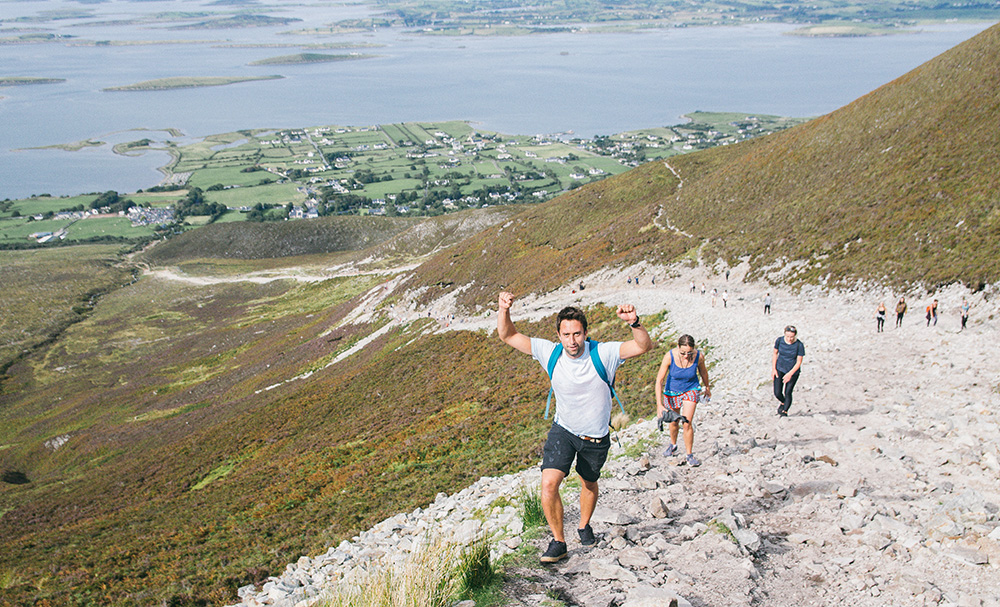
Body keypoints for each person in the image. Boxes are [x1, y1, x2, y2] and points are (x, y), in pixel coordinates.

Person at [497, 292, 653, 563]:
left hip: (595, 436)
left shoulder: (603, 353)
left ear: (586, 333)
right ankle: (559, 541)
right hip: (564, 430)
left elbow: (642, 347)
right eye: (567, 335)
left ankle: (583, 525)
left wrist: (635, 323)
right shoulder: (550, 352)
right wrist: (503, 310)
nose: (572, 341)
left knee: (589, 483)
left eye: (577, 334)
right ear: (558, 335)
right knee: (548, 483)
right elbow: (508, 335)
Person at [655, 335, 711, 467]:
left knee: (687, 422)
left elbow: (704, 373)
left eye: (689, 353)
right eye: (683, 353)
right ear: (678, 347)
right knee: (674, 421)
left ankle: (689, 454)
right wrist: (659, 404)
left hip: (690, 389)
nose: (686, 356)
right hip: (672, 391)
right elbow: (659, 380)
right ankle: (673, 445)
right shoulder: (669, 356)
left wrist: (707, 387)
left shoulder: (699, 357)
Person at [772, 326, 804, 417]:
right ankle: (783, 402)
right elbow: (775, 353)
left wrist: (790, 374)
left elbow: (799, 362)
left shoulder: (799, 345)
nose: (790, 339)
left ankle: (785, 411)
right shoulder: (779, 341)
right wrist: (773, 369)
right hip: (780, 368)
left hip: (793, 372)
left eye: (792, 337)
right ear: (784, 334)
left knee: (788, 391)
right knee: (777, 392)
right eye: (788, 337)